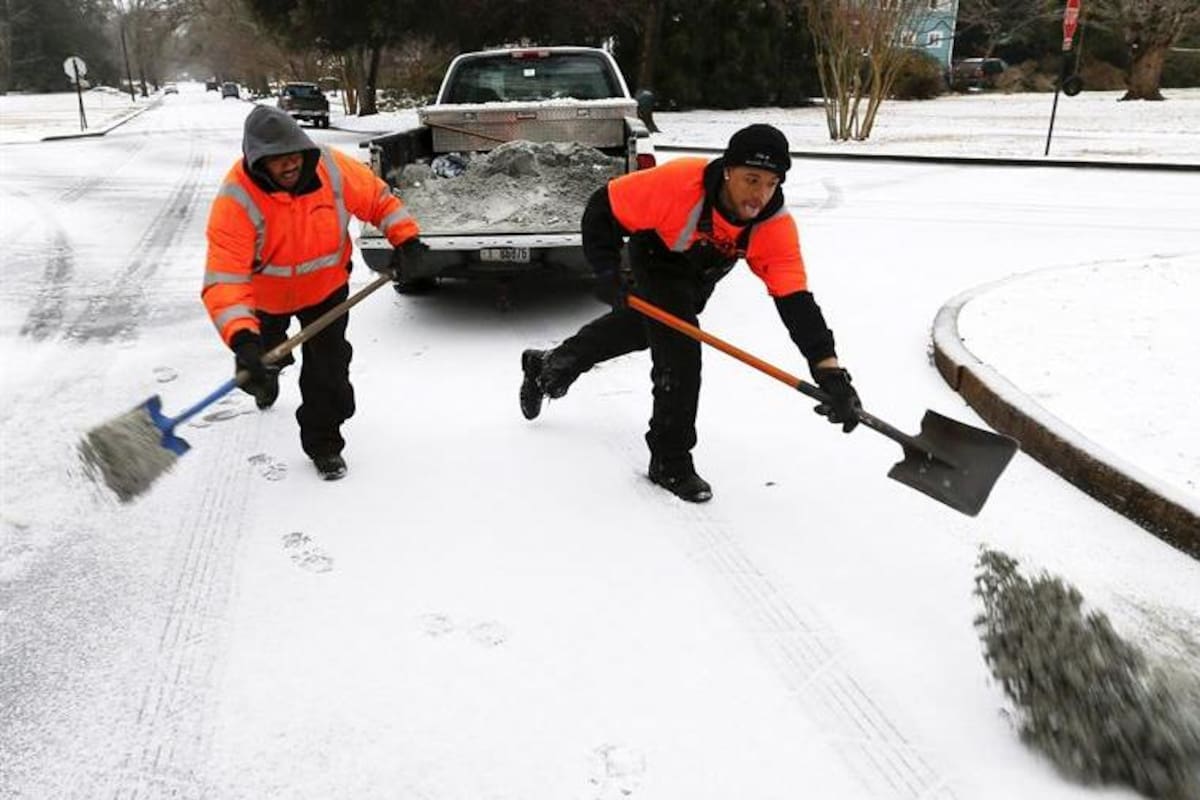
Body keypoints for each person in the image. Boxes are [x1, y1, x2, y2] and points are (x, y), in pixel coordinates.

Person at [519, 124, 862, 502]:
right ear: (728, 170)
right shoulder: (679, 183)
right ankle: (670, 459)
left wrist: (829, 371)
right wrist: (605, 271)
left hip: (698, 275)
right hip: (656, 255)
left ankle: (550, 364)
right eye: (751, 179)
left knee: (641, 329)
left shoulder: (773, 227)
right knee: (679, 354)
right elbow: (602, 209)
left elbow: (796, 303)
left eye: (770, 183)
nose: (759, 195)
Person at [202, 105, 422, 480]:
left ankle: (324, 444)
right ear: (257, 163)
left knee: (329, 372)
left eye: (292, 155)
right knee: (266, 356)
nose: (288, 165)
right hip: (265, 299)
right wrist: (242, 340)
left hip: (326, 292)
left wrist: (407, 239)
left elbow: (378, 200)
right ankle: (268, 374)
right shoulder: (236, 199)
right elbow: (225, 278)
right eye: (276, 161)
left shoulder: (332, 168)